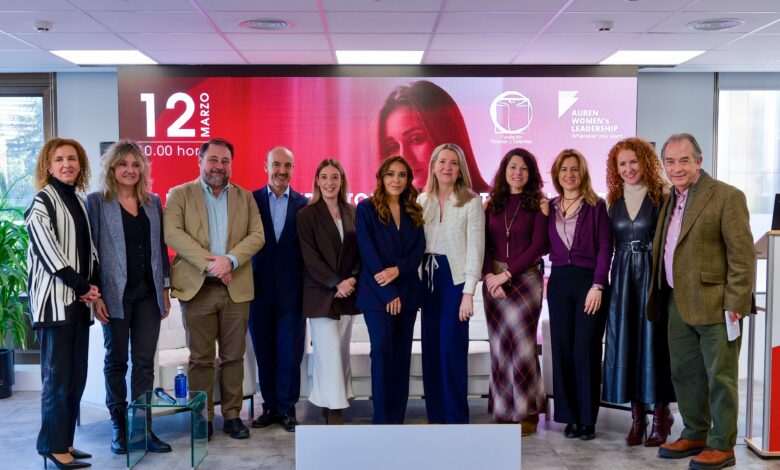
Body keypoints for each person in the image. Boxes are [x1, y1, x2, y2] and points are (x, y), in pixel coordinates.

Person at [648, 133, 754, 470]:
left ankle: (722, 444)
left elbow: (742, 255)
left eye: (684, 160)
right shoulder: (670, 198)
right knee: (684, 373)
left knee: (720, 377)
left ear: (699, 161)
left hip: (717, 305)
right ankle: (695, 432)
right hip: (676, 301)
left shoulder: (726, 196)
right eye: (670, 161)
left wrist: (736, 302)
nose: (676, 168)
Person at [164, 138, 264, 440]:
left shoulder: (245, 197)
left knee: (234, 357)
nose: (219, 166)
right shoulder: (180, 194)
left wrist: (229, 260)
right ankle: (202, 417)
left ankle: (232, 416)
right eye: (213, 160)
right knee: (201, 359)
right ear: (200, 161)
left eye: (225, 161)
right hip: (198, 288)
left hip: (236, 288)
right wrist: (212, 265)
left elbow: (257, 235)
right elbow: (172, 233)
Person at [86, 140, 172, 455]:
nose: (130, 170)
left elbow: (161, 249)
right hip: (114, 296)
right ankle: (119, 427)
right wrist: (95, 295)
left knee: (144, 364)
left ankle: (142, 428)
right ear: (112, 168)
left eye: (136, 165)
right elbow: (90, 252)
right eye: (123, 164)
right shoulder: (97, 202)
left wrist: (165, 288)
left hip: (149, 296)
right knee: (116, 361)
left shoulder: (153, 202)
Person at [26, 138, 100, 469]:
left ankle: (65, 441)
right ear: (48, 166)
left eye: (72, 158)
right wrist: (83, 287)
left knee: (75, 379)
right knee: (57, 380)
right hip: (54, 305)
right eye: (59, 159)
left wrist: (93, 288)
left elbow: (90, 251)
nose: (66, 164)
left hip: (78, 305)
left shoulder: (78, 200)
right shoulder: (42, 201)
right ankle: (53, 447)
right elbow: (49, 253)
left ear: (80, 165)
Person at [602, 137, 676, 447]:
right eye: (622, 163)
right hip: (622, 278)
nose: (629, 168)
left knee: (654, 345)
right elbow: (607, 245)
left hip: (651, 276)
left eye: (634, 161)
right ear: (615, 168)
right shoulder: (613, 200)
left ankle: (660, 416)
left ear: (645, 162)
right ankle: (637, 420)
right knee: (627, 344)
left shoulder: (663, 195)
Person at [546, 148, 612, 441]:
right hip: (559, 282)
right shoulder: (549, 207)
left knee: (585, 350)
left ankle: (587, 419)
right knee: (561, 349)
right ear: (557, 175)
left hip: (589, 283)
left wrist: (598, 285)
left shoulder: (597, 205)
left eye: (574, 169)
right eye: (564, 170)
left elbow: (605, 248)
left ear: (582, 173)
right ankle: (569, 417)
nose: (569, 174)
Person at [482, 148, 548, 435]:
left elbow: (538, 246)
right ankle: (502, 409)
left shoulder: (539, 204)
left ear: (530, 173)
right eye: (512, 167)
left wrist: (506, 275)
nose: (517, 173)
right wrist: (489, 277)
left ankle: (526, 411)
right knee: (500, 348)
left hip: (525, 280)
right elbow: (482, 244)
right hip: (494, 282)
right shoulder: (491, 204)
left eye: (523, 168)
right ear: (504, 171)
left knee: (522, 346)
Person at [417, 144, 484, 424]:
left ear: (460, 169)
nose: (447, 167)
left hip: (454, 280)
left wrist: (468, 293)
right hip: (427, 280)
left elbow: (475, 251)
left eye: (453, 163)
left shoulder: (471, 201)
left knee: (451, 350)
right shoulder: (422, 200)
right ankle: (435, 417)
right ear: (433, 166)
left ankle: (456, 420)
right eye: (442, 161)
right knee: (431, 350)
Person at [355, 156, 425, 424]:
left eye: (402, 175)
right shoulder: (366, 208)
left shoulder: (413, 210)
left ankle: (397, 420)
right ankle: (382, 421)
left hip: (407, 292)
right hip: (377, 295)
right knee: (383, 353)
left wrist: (398, 270)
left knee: (401, 357)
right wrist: (388, 293)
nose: (396, 180)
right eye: (391, 174)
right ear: (381, 178)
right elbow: (368, 254)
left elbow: (418, 250)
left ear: (408, 180)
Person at [297, 159, 361, 425]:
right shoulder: (306, 215)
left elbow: (360, 251)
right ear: (317, 181)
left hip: (348, 292)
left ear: (342, 181)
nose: (330, 182)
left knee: (340, 349)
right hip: (321, 293)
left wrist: (352, 280)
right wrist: (336, 283)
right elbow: (310, 258)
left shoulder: (353, 211)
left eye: (335, 177)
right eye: (324, 177)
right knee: (329, 349)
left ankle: (331, 400)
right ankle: (335, 410)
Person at [249, 146, 309, 433]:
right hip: (256, 292)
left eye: (287, 165)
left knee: (289, 354)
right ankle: (270, 407)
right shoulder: (250, 200)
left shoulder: (304, 204)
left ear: (293, 169)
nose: (282, 171)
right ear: (266, 166)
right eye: (276, 165)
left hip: (292, 294)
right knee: (264, 353)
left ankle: (287, 409)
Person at [377, 80, 490, 193]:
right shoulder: (390, 202)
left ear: (446, 137)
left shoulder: (486, 201)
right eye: (393, 147)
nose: (404, 157)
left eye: (416, 139)